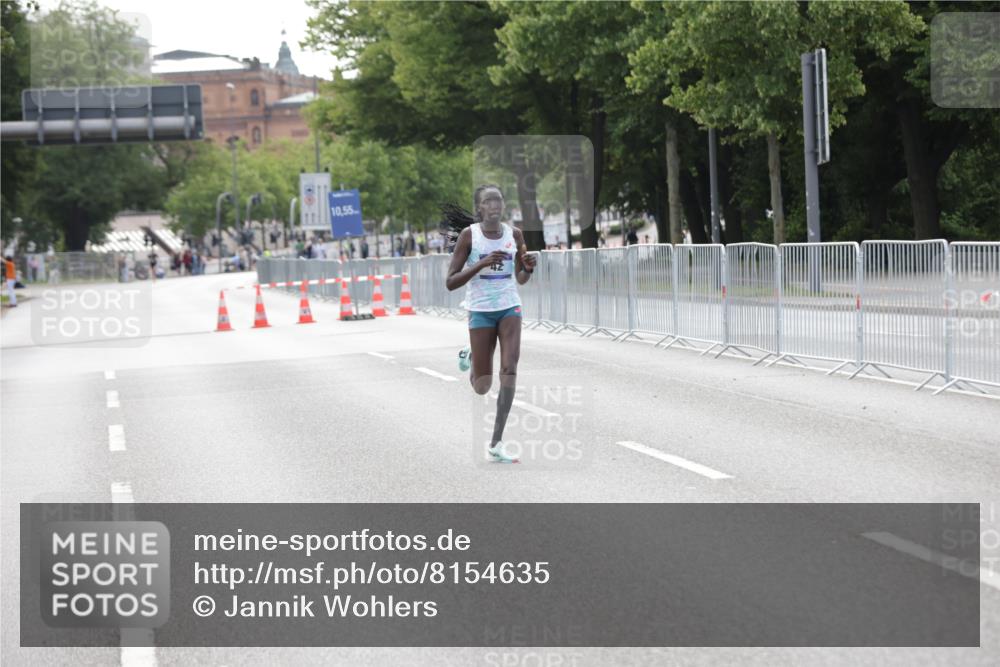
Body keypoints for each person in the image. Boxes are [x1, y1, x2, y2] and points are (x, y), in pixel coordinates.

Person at [443, 185, 537, 464]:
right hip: (481, 310)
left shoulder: (515, 235)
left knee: (509, 369)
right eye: (488, 201)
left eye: (498, 200)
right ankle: (472, 354)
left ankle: (496, 442)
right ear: (480, 208)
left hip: (509, 307)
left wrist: (527, 268)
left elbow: (520, 278)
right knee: (482, 386)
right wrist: (481, 263)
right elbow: (451, 282)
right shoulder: (469, 236)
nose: (494, 205)